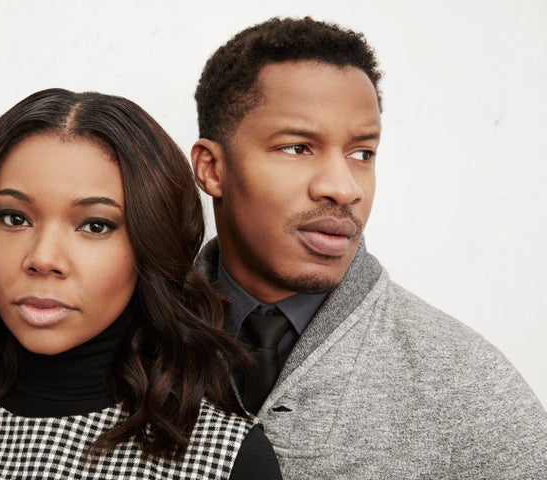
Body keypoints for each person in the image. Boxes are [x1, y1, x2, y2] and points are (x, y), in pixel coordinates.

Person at [0, 88, 281, 479]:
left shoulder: (224, 458)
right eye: (15, 217)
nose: (43, 258)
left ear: (152, 245)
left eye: (95, 226)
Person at [190, 16, 547, 479]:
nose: (344, 188)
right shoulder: (125, 339)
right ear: (212, 169)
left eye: (362, 153)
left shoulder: (468, 385)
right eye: (298, 148)